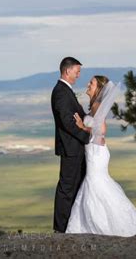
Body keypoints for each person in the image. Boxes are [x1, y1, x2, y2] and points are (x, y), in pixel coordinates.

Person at [65, 75, 136, 236]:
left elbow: (101, 130)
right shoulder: (94, 105)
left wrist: (82, 127)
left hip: (96, 153)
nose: (88, 84)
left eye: (92, 83)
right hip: (95, 151)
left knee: (95, 183)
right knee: (98, 184)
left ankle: (103, 226)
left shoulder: (96, 105)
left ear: (99, 89)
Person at [51, 57, 92, 233]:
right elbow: (68, 122)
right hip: (71, 149)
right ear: (67, 71)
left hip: (75, 148)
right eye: (77, 71)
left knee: (75, 187)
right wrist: (86, 135)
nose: (79, 75)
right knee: (66, 189)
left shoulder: (66, 91)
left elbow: (80, 115)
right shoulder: (61, 92)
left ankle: (71, 227)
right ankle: (60, 230)